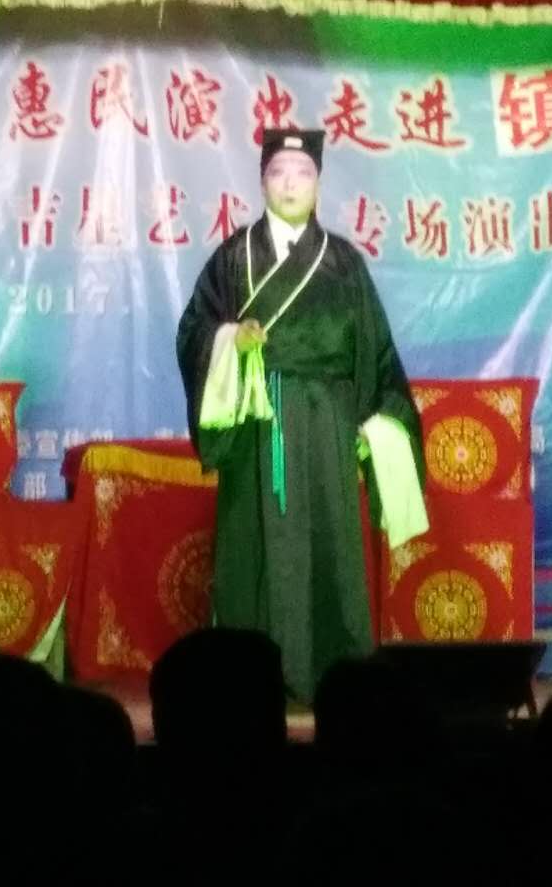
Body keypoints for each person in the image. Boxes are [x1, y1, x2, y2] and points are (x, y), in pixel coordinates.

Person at [176, 129, 427, 699]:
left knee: (328, 543)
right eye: (278, 173)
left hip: (327, 425)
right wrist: (229, 341)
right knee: (254, 547)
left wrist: (373, 421)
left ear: (318, 183)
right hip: (257, 422)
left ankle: (337, 683)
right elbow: (193, 331)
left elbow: (376, 352)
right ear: (262, 181)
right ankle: (250, 687)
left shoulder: (343, 262)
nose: (290, 184)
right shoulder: (233, 258)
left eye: (302, 173)